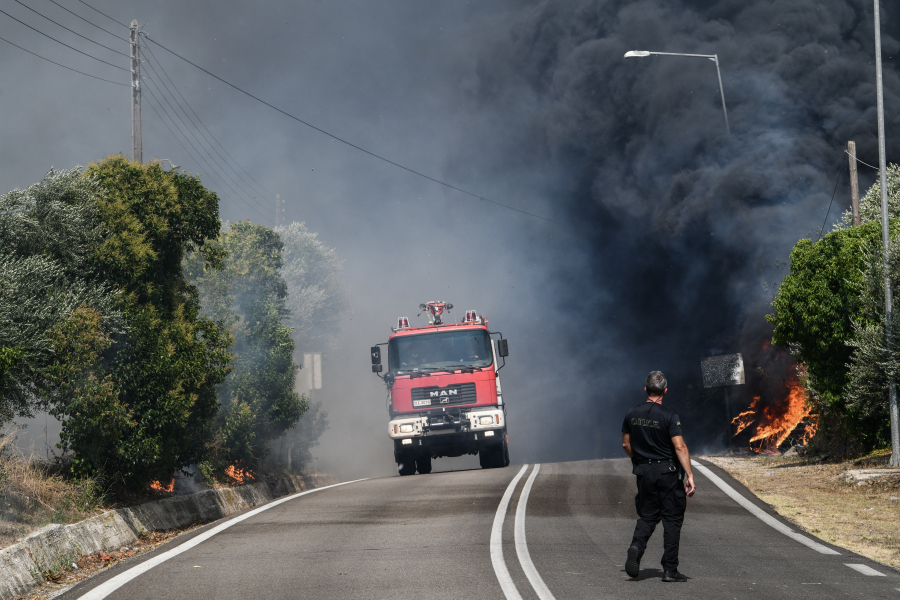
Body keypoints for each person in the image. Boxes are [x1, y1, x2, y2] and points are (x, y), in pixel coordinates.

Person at [621, 371, 696, 582]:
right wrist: (689, 475)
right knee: (672, 519)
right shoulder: (670, 416)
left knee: (648, 515)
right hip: (668, 473)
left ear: (645, 390)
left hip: (644, 471)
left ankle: (637, 546)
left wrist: (638, 459)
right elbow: (679, 448)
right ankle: (670, 570)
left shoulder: (631, 413)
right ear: (665, 391)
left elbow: (626, 444)